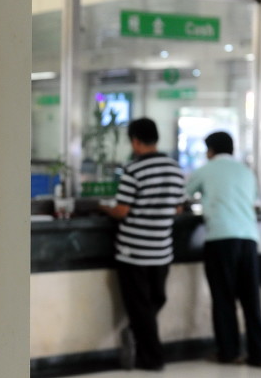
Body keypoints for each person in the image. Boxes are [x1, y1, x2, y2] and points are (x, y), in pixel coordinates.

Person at [102, 117, 185, 371]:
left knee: (140, 307)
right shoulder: (175, 168)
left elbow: (122, 211)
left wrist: (104, 207)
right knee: (155, 300)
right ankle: (144, 346)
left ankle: (152, 357)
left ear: (135, 141)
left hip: (133, 251)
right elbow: (178, 208)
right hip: (161, 249)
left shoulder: (133, 170)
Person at [185, 131, 261, 369]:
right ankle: (260, 355)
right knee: (251, 299)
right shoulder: (246, 171)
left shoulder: (206, 170)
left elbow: (183, 196)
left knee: (224, 298)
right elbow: (256, 202)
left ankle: (229, 352)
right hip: (249, 238)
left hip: (220, 238)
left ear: (210, 150)